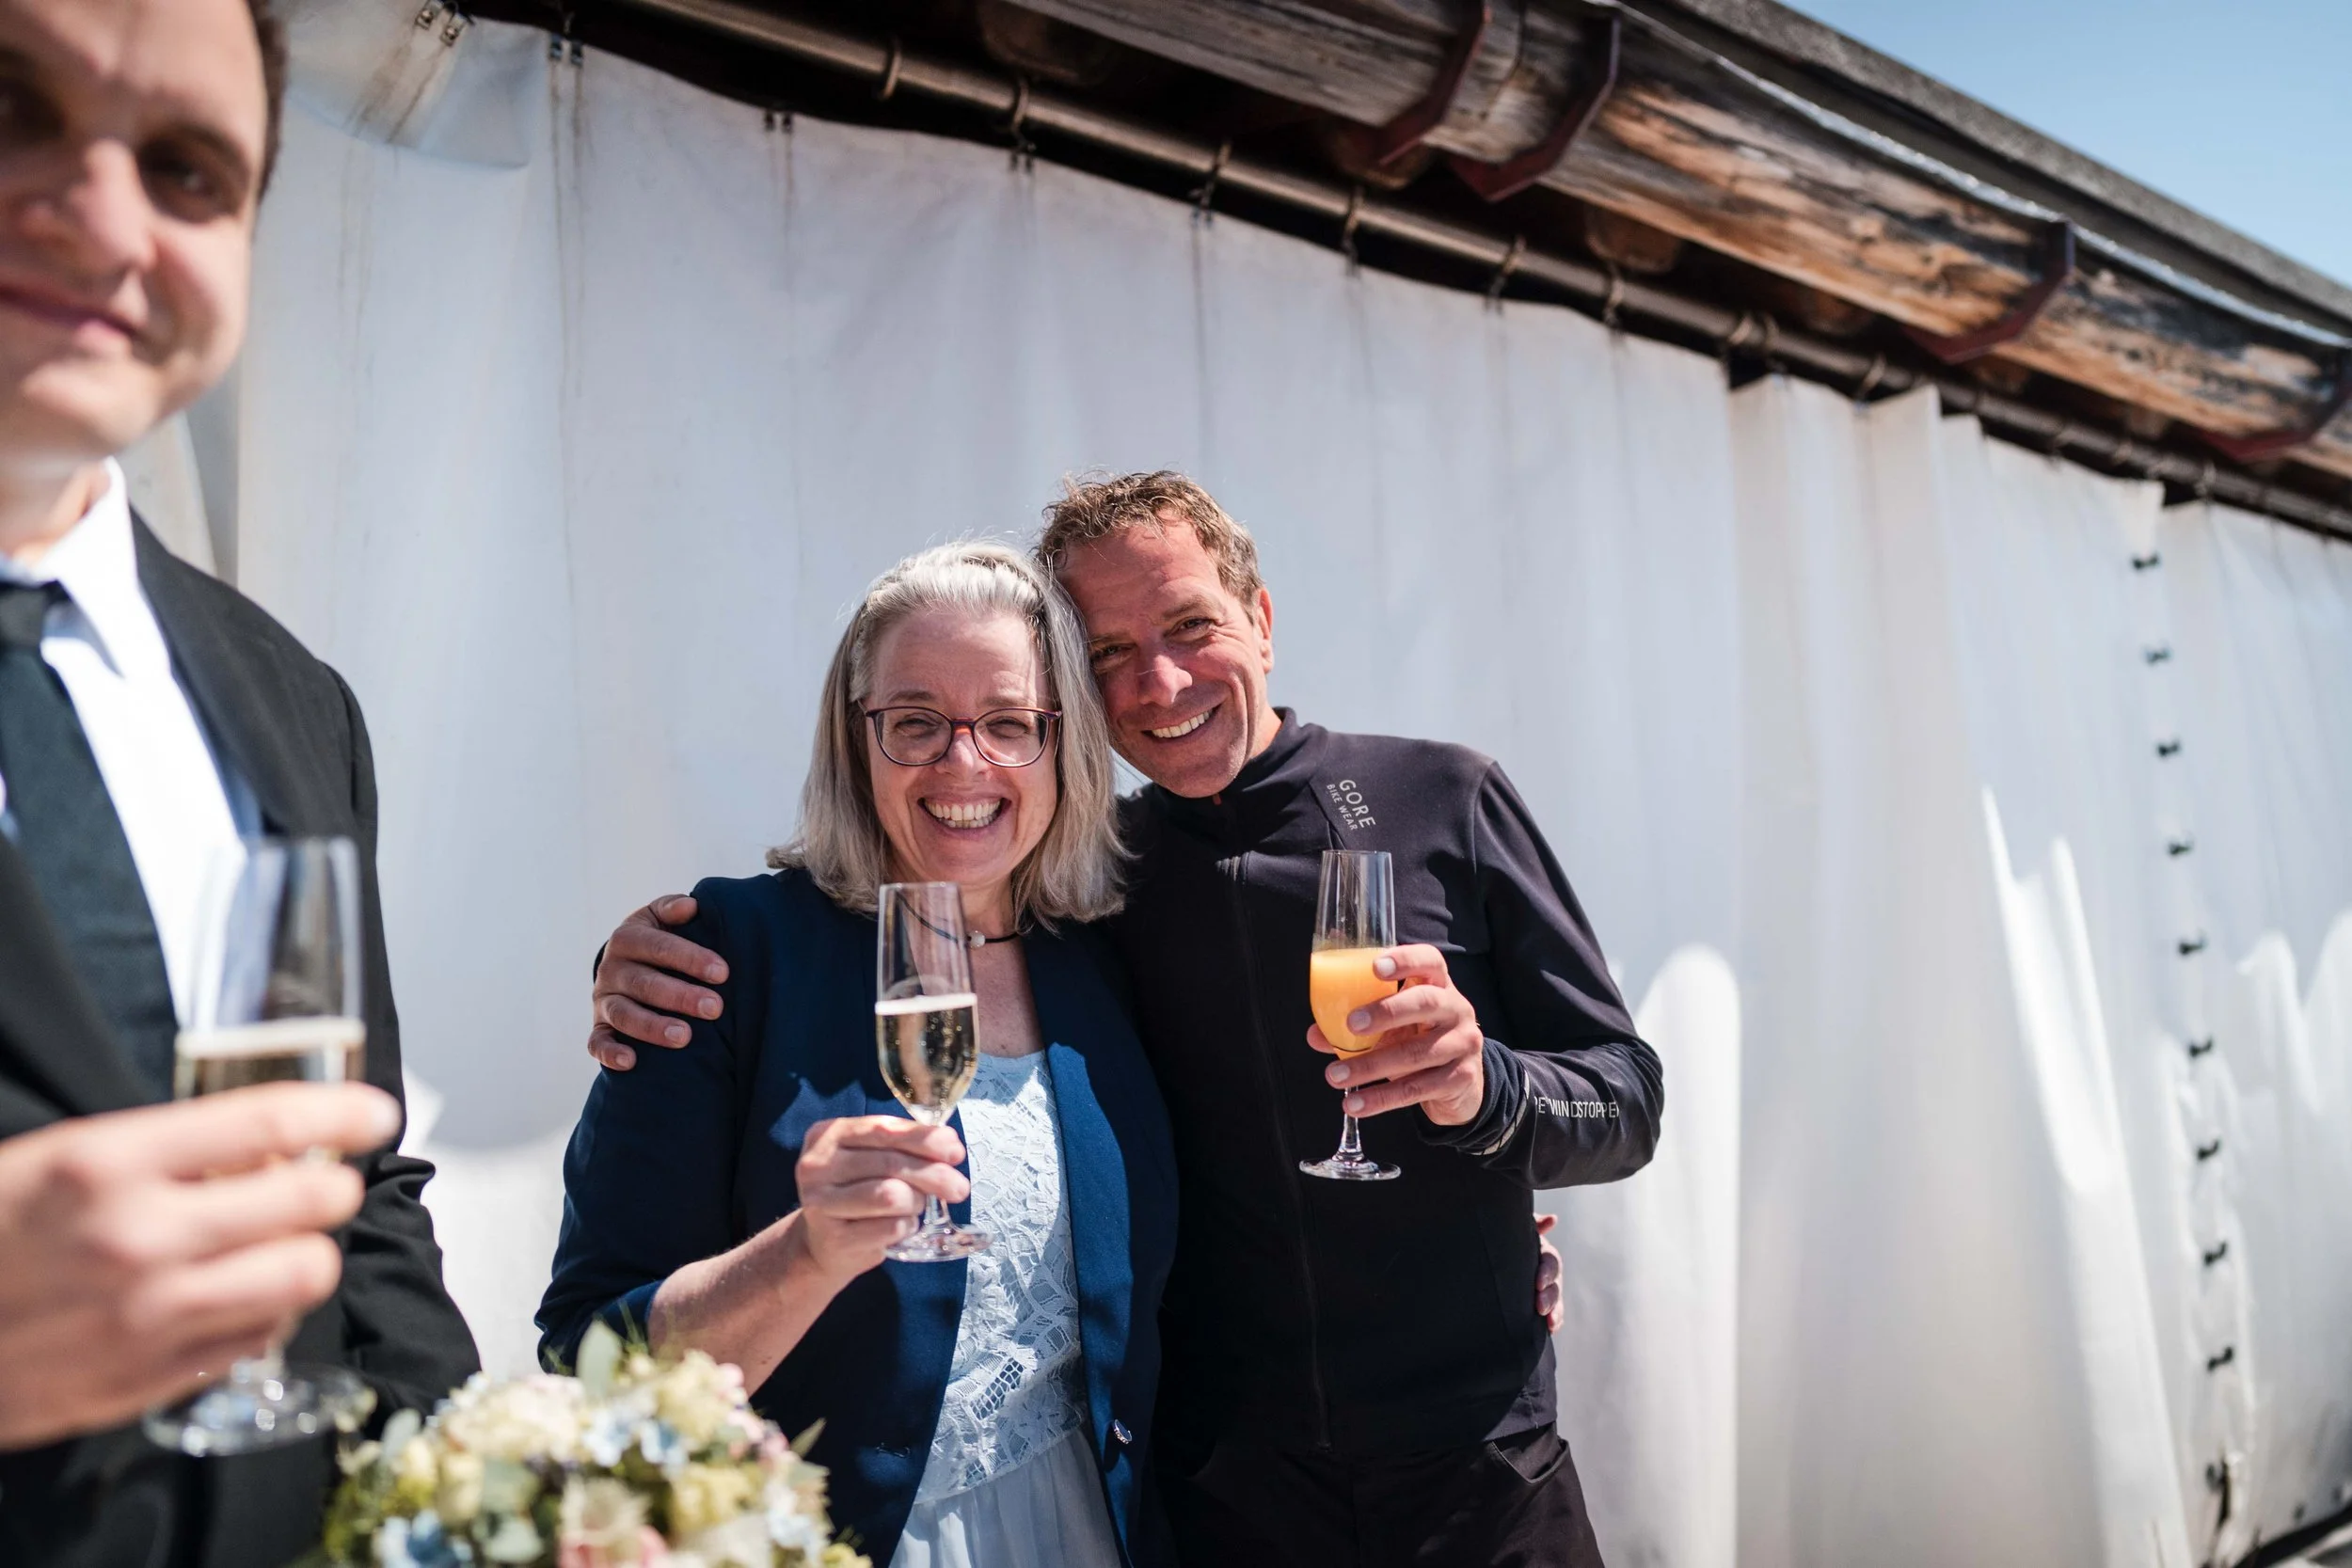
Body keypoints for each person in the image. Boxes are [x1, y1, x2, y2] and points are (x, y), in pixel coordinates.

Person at [593, 474, 1660, 1566]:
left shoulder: (1441, 795)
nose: (1157, 679)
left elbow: (1626, 1097)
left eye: (1191, 624)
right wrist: (636, 958)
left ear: (1262, 619)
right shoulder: (1101, 896)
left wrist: (1488, 1094)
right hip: (1223, 1498)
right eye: (1106, 653)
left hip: (1477, 1466)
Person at [0, 0, 480, 1560]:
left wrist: (472, 1507)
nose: (103, 216)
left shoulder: (294, 705)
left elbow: (360, 1187)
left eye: (195, 171)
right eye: (15, 106)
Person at [539, 543, 1177, 1568]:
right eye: (914, 721)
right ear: (856, 740)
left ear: (1063, 744)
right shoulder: (723, 956)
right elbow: (591, 1358)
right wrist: (807, 1251)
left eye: (1009, 723)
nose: (962, 763)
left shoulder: (1112, 958)